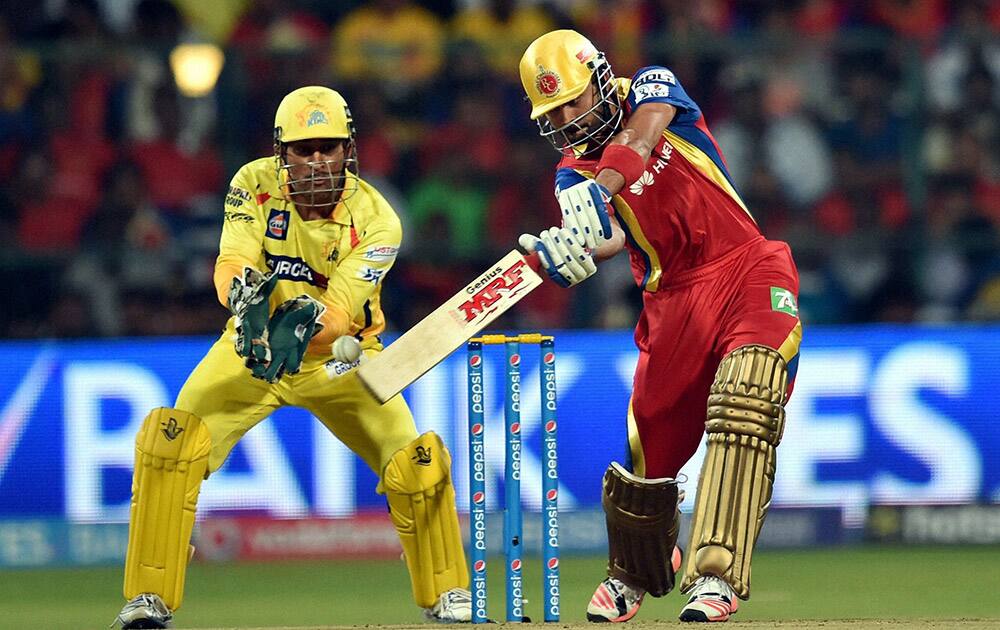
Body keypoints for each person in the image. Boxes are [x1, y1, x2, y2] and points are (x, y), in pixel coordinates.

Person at [113, 86, 471, 628]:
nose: (318, 161)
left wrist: (294, 329)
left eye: (329, 147)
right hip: (250, 351)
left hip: (341, 363)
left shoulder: (378, 220)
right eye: (305, 149)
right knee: (172, 440)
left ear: (350, 149)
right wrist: (244, 301)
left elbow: (339, 315)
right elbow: (230, 261)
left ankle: (448, 596)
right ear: (281, 152)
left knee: (416, 462)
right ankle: (148, 600)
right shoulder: (251, 184)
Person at [517, 31, 802, 623]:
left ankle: (715, 577)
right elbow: (609, 238)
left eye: (573, 101)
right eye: (555, 113)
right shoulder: (570, 176)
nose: (569, 120)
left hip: (746, 266)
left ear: (598, 77)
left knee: (746, 398)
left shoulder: (651, 86)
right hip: (670, 301)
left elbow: (643, 136)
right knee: (649, 462)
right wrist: (563, 255)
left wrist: (604, 186)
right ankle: (637, 571)